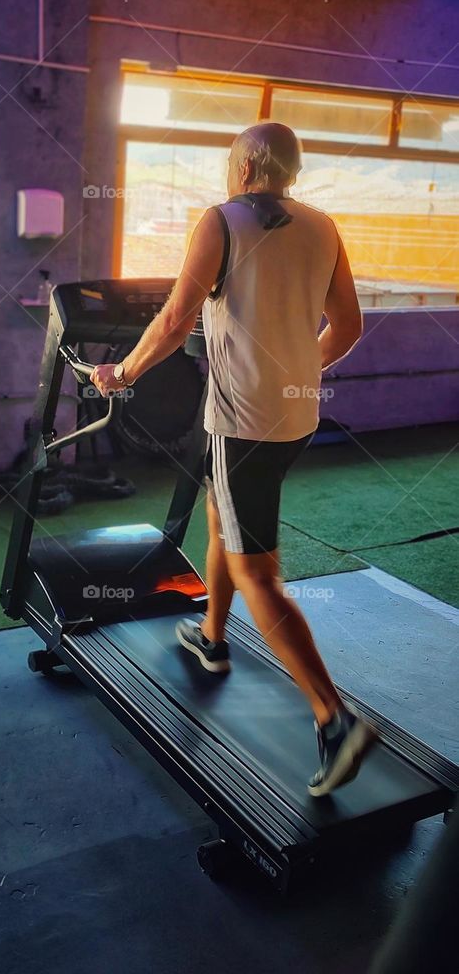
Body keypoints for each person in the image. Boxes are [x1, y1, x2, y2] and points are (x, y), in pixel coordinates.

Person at [91, 121, 376, 795]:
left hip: (242, 421)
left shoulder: (221, 220)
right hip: (297, 414)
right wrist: (301, 365)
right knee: (224, 520)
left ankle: (335, 720)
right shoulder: (324, 225)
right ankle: (212, 638)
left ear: (246, 166)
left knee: (259, 573)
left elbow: (172, 319)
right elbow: (351, 325)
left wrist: (121, 374)